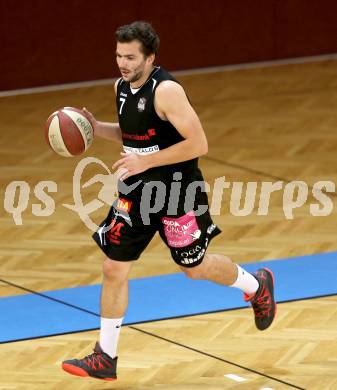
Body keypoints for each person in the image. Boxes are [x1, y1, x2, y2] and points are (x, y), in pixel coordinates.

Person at [62, 21, 276, 381]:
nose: (122, 64)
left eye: (130, 57)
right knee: (113, 267)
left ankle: (257, 286)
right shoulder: (121, 87)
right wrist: (95, 127)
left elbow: (198, 144)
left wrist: (145, 161)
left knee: (194, 268)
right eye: (118, 56)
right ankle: (105, 357)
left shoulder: (168, 91)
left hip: (178, 192)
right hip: (136, 193)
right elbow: (132, 135)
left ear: (150, 57)